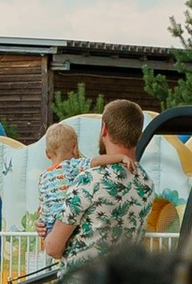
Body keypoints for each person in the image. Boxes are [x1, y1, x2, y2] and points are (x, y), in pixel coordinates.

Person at [45, 98, 157, 274]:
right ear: (139, 135)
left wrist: (48, 230)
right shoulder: (146, 183)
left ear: (104, 128)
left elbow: (53, 248)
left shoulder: (89, 180)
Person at [33, 122, 86, 253]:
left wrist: (40, 221)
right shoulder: (72, 165)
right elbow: (95, 162)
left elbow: (43, 204)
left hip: (49, 226)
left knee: (54, 252)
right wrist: (120, 157)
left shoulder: (43, 176)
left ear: (47, 153)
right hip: (68, 223)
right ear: (75, 149)